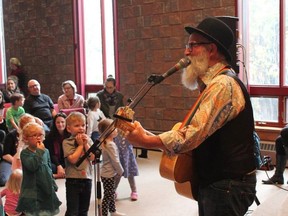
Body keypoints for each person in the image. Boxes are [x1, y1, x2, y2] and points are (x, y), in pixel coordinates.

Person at [125, 17, 257, 216]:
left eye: (192, 45)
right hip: (218, 182)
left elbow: (191, 135)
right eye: (187, 45)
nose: (186, 52)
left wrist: (147, 141)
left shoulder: (222, 85)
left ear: (211, 50)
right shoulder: (212, 84)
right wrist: (149, 135)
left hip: (227, 185)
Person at [97, 76, 139, 201]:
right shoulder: (99, 95)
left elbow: (124, 111)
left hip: (120, 129)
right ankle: (113, 191)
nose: (108, 89)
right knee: (117, 172)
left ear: (115, 87)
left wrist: (122, 121)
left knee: (130, 171)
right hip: (108, 124)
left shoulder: (120, 97)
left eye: (111, 87)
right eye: (107, 87)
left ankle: (134, 190)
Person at [16, 122, 61, 215]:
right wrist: (39, 152)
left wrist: (53, 184)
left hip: (46, 189)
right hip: (33, 192)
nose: (38, 137)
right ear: (26, 139)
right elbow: (32, 166)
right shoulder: (25, 153)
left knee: (47, 212)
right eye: (34, 135)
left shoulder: (46, 151)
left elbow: (49, 169)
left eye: (40, 135)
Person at [62, 112, 95, 216]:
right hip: (73, 180)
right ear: (68, 128)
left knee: (84, 210)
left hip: (87, 178)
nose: (81, 128)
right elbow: (73, 160)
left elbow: (92, 157)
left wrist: (85, 144)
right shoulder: (67, 142)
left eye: (83, 125)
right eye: (77, 126)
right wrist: (80, 146)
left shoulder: (88, 140)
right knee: (72, 211)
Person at [98, 119, 125, 216]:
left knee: (111, 193)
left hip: (107, 173)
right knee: (108, 195)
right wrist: (121, 171)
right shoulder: (110, 145)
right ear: (109, 131)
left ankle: (113, 211)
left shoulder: (106, 142)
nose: (117, 130)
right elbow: (115, 160)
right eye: (115, 129)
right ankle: (105, 213)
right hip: (108, 174)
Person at [44, 112, 70, 179]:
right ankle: (60, 174)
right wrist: (59, 166)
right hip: (55, 163)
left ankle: (59, 173)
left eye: (62, 122)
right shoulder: (50, 136)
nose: (60, 124)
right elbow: (51, 154)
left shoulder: (70, 135)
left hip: (68, 161)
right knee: (46, 167)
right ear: (55, 124)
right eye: (58, 122)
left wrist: (65, 166)